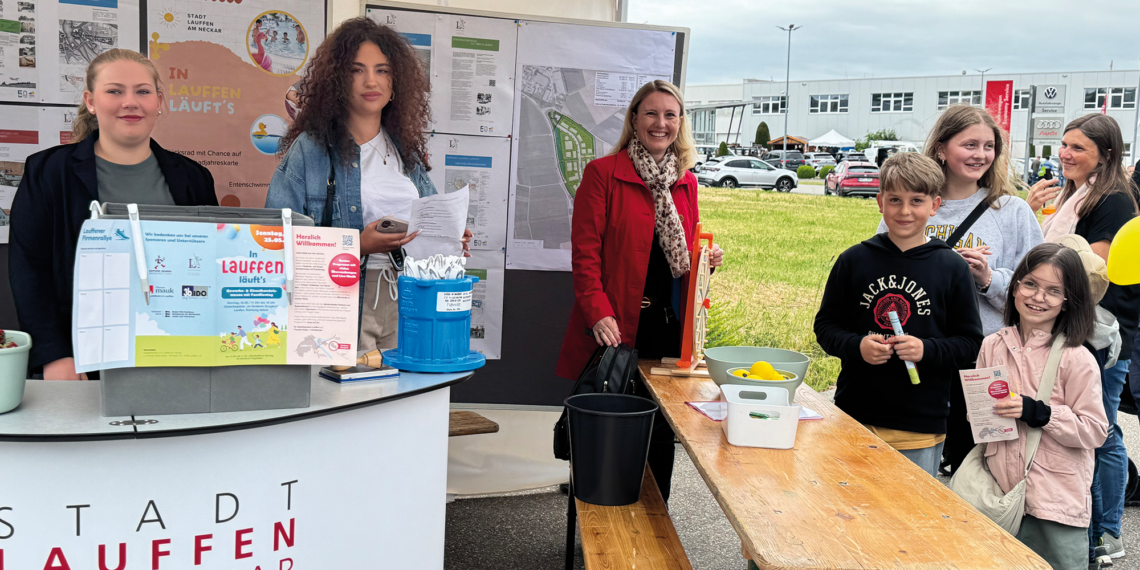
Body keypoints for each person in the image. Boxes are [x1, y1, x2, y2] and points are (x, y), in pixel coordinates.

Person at [555, 80, 724, 503]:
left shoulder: (686, 182)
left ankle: (654, 519)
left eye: (670, 115)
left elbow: (682, 258)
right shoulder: (602, 174)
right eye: (651, 113)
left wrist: (706, 259)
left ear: (680, 123)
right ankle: (605, 524)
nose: (660, 123)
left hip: (667, 331)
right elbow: (585, 256)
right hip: (617, 329)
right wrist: (597, 311)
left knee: (661, 435)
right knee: (611, 433)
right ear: (634, 119)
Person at [8, 48, 217, 380]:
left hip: (178, 355)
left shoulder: (194, 178)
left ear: (159, 102)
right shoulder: (48, 171)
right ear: (91, 101)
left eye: (142, 92)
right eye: (115, 91)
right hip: (83, 361)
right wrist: (55, 354)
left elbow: (211, 265)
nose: (130, 102)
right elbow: (30, 268)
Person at [266, 17, 469, 352]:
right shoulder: (310, 150)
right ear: (337, 81)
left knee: (402, 384)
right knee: (348, 385)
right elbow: (275, 244)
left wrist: (450, 235)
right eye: (356, 70)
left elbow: (427, 218)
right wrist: (356, 247)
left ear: (395, 81)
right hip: (341, 299)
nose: (371, 81)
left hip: (407, 295)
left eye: (382, 70)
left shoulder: (404, 150)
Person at [877, 105, 1044, 475]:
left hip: (984, 362)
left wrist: (987, 278)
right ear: (941, 148)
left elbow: (1038, 289)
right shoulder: (910, 203)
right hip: (918, 357)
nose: (980, 155)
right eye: (970, 145)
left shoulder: (1012, 211)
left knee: (982, 467)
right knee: (911, 466)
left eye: (989, 146)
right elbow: (881, 274)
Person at [816, 152, 984, 476]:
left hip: (920, 424)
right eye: (895, 200)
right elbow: (826, 326)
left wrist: (926, 350)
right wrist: (857, 346)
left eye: (916, 201)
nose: (905, 211)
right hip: (855, 415)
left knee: (909, 508)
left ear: (934, 205)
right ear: (880, 202)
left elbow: (969, 343)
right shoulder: (854, 261)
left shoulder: (951, 267)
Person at [1026, 114, 1140, 564]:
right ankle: (1081, 526)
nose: (1065, 154)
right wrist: (1031, 212)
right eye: (1064, 145)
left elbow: (1090, 269)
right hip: (1072, 328)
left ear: (1106, 155)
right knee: (1076, 426)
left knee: (1100, 430)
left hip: (1102, 336)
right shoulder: (1074, 195)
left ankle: (1107, 532)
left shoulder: (1113, 200)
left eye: (1078, 148)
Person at [981, 243, 1108, 570]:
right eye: (1031, 284)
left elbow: (1095, 431)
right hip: (998, 495)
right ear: (1014, 287)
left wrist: (1039, 412)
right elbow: (982, 421)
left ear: (1068, 301)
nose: (1038, 297)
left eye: (1054, 291)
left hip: (1055, 503)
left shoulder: (1077, 358)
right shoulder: (992, 346)